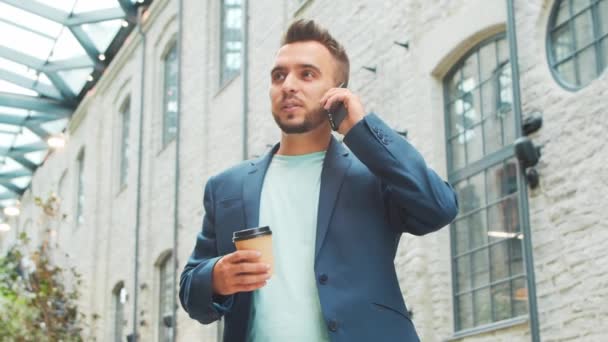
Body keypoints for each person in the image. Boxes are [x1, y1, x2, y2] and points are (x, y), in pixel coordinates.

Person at [180, 19, 458, 342]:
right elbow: (190, 291)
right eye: (278, 76)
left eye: (307, 74)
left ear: (337, 91)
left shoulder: (373, 173)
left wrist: (363, 129)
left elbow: (439, 208)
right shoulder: (226, 187)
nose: (288, 85)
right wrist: (215, 278)